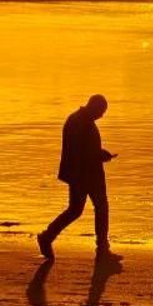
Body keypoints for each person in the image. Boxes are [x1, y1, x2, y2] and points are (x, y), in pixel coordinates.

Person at [37, 94, 117, 261]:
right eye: (101, 111)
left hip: (81, 173)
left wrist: (99, 154)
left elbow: (85, 149)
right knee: (98, 208)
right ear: (94, 107)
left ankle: (47, 236)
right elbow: (81, 152)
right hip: (85, 174)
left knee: (76, 210)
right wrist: (100, 155)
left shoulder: (78, 119)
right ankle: (102, 249)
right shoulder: (80, 122)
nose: (102, 115)